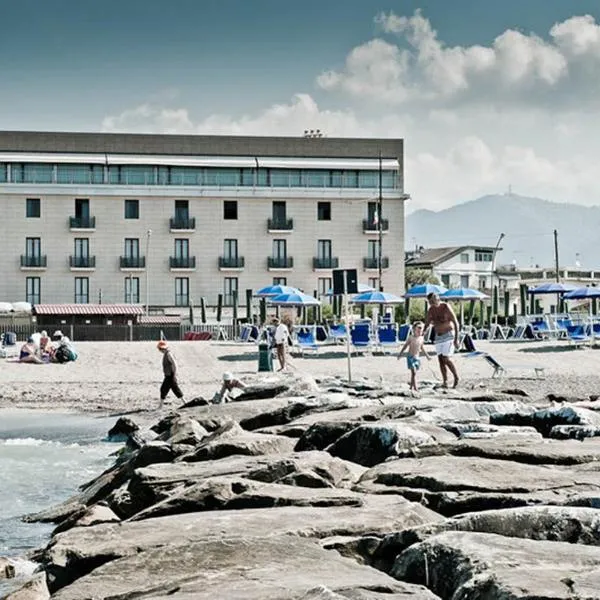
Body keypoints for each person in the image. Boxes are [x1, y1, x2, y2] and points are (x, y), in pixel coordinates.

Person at [425, 292, 460, 388]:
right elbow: (427, 323)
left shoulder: (446, 307)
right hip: (438, 337)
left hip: (448, 335)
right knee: (440, 360)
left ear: (438, 298)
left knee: (446, 358)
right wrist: (422, 332)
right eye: (431, 301)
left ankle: (456, 377)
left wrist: (456, 339)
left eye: (434, 300)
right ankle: (445, 381)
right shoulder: (431, 310)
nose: (433, 302)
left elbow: (456, 322)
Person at [397, 321, 431, 391]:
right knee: (414, 372)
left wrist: (427, 356)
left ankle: (411, 386)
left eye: (421, 329)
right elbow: (405, 346)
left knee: (414, 373)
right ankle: (415, 387)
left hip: (417, 357)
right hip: (410, 357)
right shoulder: (411, 338)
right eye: (418, 328)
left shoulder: (421, 338)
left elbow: (422, 348)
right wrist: (400, 354)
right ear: (414, 329)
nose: (420, 330)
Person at [157, 340, 183, 408]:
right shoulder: (166, 354)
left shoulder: (168, 354)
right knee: (173, 389)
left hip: (170, 375)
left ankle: (160, 406)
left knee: (166, 389)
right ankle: (184, 402)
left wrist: (174, 373)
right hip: (168, 375)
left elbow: (174, 364)